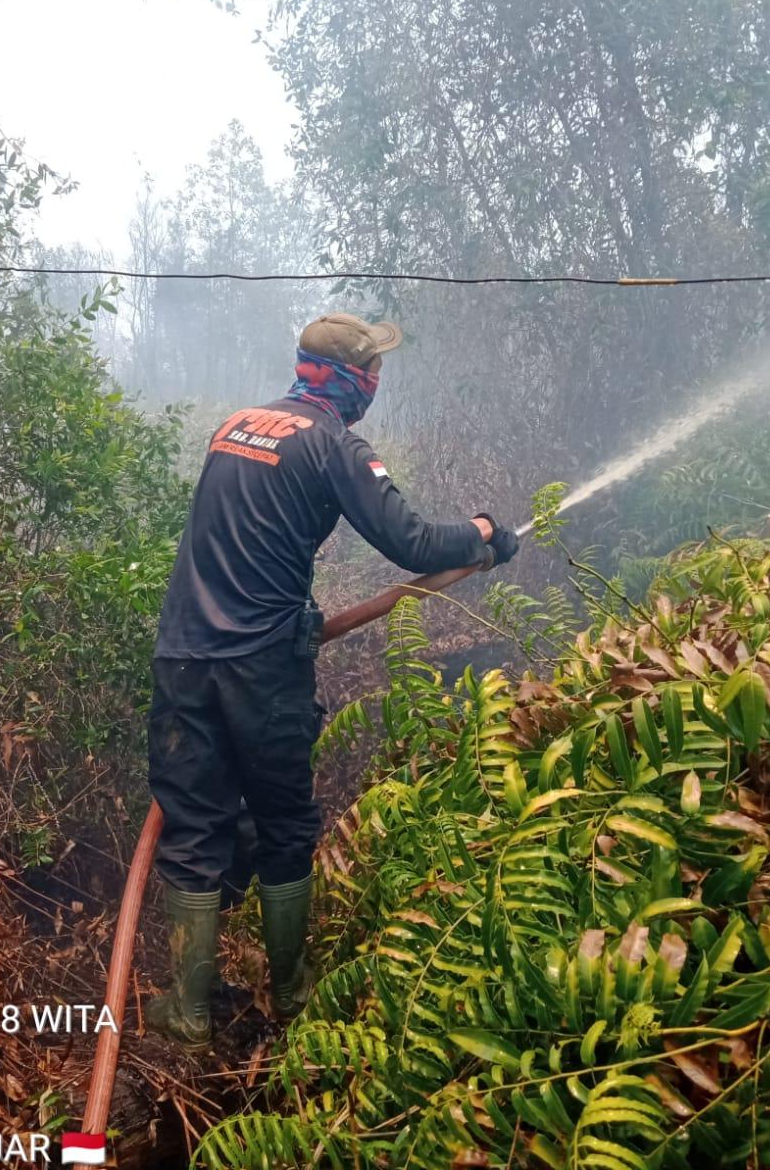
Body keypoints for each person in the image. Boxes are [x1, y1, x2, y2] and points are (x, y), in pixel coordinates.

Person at [144, 313, 520, 1049]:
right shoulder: (333, 444)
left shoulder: (235, 426)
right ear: (355, 380)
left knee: (195, 828)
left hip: (184, 657)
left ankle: (187, 1009)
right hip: (262, 670)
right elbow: (409, 541)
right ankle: (289, 994)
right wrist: (480, 534)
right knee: (284, 823)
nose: (378, 383)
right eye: (374, 371)